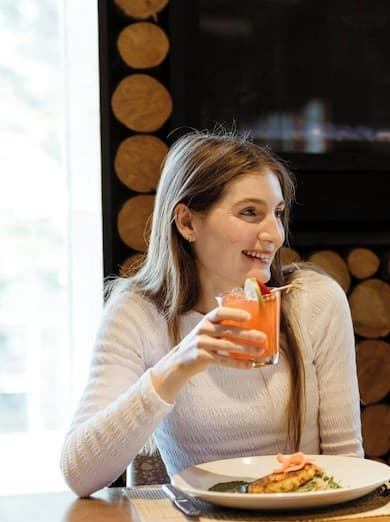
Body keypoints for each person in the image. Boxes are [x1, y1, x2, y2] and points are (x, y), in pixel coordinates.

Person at [62, 130, 363, 497]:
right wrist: (177, 365)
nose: (275, 235)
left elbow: (349, 464)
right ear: (187, 223)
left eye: (278, 213)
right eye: (250, 213)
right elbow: (79, 474)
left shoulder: (315, 301)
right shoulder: (137, 313)